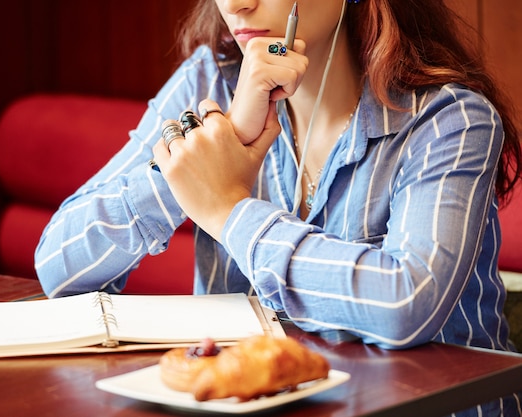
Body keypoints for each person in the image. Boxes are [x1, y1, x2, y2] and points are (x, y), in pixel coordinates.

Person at [36, 1, 521, 413]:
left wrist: (227, 208)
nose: (237, 5)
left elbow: (403, 304)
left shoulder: (448, 119)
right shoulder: (208, 83)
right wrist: (202, 162)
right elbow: (57, 264)